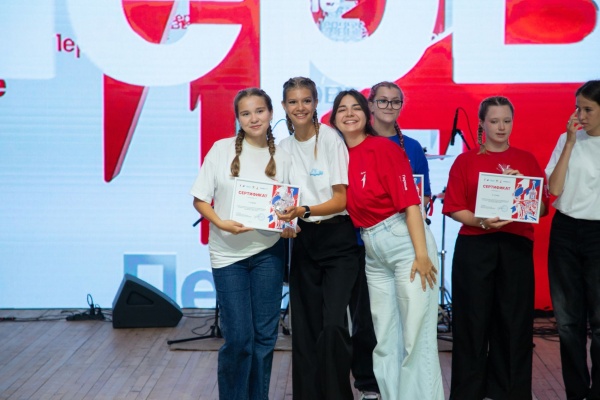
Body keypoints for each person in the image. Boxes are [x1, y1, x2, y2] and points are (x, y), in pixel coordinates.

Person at [329, 89, 444, 400]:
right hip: (372, 251)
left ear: (367, 114)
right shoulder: (337, 158)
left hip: (406, 243)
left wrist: (421, 255)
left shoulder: (383, 148)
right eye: (342, 109)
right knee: (385, 340)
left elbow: (411, 204)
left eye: (355, 107)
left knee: (416, 338)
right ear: (334, 118)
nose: (349, 113)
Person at [442, 96, 550, 400]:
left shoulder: (526, 160)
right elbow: (454, 207)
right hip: (475, 245)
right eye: (494, 121)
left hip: (516, 246)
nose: (501, 127)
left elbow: (542, 209)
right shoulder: (466, 161)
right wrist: (481, 222)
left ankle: (511, 392)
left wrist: (524, 187)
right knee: (472, 323)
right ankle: (468, 392)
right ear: (482, 123)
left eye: (506, 120)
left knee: (514, 324)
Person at [190, 88, 291, 400]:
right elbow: (200, 199)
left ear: (271, 113)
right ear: (238, 118)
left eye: (259, 111)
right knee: (238, 338)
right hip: (228, 256)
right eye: (246, 113)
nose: (254, 118)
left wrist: (289, 226)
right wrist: (221, 223)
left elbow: (287, 206)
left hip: (268, 254)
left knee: (264, 337)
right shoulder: (221, 150)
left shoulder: (283, 156)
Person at [275, 77, 360, 400]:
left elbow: (341, 200)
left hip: (337, 238)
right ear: (284, 106)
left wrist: (303, 210)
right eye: (293, 101)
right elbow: (282, 201)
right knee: (305, 329)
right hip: (303, 239)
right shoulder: (283, 148)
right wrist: (285, 222)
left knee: (334, 326)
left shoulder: (331, 139)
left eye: (306, 100)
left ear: (315, 103)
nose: (300, 107)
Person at [546, 80, 600, 400]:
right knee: (567, 322)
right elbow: (554, 189)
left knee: (599, 321)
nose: (580, 115)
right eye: (578, 108)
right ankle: (576, 393)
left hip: (597, 232)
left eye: (588, 109)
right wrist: (568, 143)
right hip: (565, 230)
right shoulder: (567, 140)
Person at [368, 81, 432, 206]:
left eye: (396, 102)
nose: (389, 106)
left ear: (401, 107)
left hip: (404, 216)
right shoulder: (357, 142)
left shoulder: (413, 147)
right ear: (371, 106)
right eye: (383, 101)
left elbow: (424, 195)